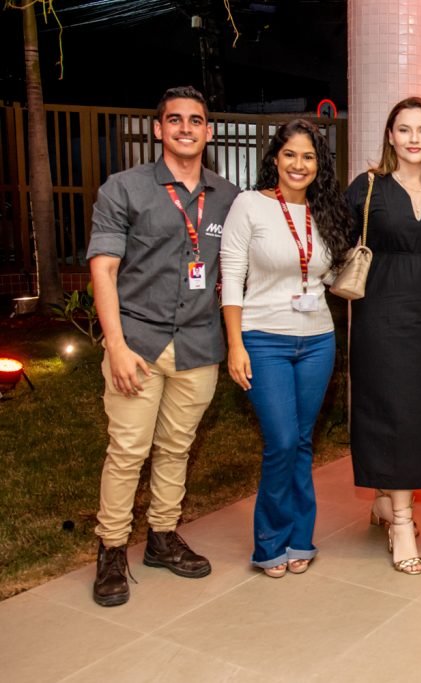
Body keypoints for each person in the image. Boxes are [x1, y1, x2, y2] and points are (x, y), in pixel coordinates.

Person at [87, 86, 239, 606]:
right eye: (174, 120)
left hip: (200, 345)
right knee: (128, 450)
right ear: (159, 129)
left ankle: (161, 537)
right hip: (139, 343)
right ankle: (110, 549)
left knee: (176, 448)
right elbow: (103, 269)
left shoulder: (227, 196)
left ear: (208, 131)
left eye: (195, 120)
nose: (185, 129)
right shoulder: (124, 189)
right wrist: (116, 346)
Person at [345, 97, 421, 575]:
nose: (414, 138)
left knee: (420, 415)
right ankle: (401, 521)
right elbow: (337, 239)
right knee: (390, 412)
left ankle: (384, 499)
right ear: (391, 136)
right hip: (381, 319)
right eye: (405, 129)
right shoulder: (369, 187)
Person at [220, 119, 351, 578]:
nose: (299, 164)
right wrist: (235, 345)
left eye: (309, 156)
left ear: (320, 165)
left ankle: (300, 538)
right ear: (275, 158)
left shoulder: (325, 212)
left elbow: (328, 277)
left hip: (317, 340)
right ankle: (270, 542)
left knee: (300, 441)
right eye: (290, 154)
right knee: (280, 441)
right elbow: (231, 279)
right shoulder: (249, 205)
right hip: (262, 338)